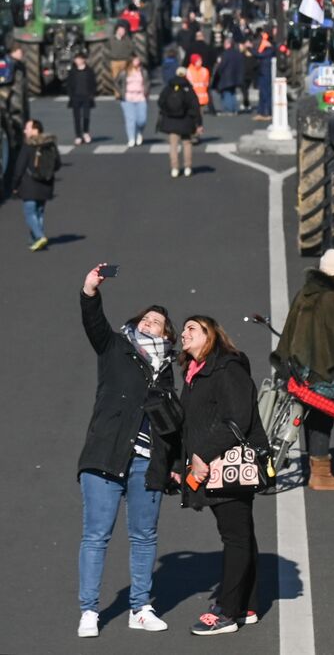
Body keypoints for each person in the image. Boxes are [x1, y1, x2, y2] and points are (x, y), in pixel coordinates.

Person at [77, 265, 179, 638]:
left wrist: (173, 464)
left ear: (168, 335)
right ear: (137, 323)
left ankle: (141, 606)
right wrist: (91, 290)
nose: (153, 324)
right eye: (148, 320)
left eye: (160, 323)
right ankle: (89, 610)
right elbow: (94, 322)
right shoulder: (115, 346)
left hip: (146, 462)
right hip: (105, 456)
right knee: (96, 536)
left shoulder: (166, 370)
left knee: (144, 536)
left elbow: (171, 422)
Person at [177, 316, 266, 635]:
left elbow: (237, 419)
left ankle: (227, 612)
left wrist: (201, 457)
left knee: (235, 537)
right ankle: (249, 605)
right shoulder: (195, 372)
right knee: (240, 533)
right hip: (213, 467)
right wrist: (181, 465)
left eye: (192, 328)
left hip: (226, 467)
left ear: (211, 336)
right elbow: (193, 424)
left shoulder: (227, 368)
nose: (183, 333)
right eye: (183, 329)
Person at [273, 249, 334, 490]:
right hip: (322, 372)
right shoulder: (333, 300)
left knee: (310, 419)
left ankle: (316, 469)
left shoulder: (306, 293)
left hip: (301, 369)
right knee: (322, 419)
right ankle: (321, 475)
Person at [15, 119, 60, 250]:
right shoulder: (50, 145)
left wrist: (15, 185)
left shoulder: (28, 146)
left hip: (29, 186)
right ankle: (35, 240)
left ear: (35, 130)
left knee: (30, 213)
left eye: (27, 128)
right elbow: (57, 164)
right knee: (39, 212)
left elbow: (19, 168)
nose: (24, 130)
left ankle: (40, 236)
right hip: (46, 184)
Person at [156, 67, 201, 178]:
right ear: (185, 75)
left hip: (171, 120)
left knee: (173, 145)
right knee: (186, 144)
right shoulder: (188, 89)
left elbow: (161, 101)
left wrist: (167, 111)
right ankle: (187, 167)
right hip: (186, 121)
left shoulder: (169, 87)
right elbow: (195, 106)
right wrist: (198, 123)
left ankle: (175, 168)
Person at [67, 52, 98, 146]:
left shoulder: (89, 71)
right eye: (76, 59)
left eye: (79, 59)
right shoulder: (72, 71)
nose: (77, 61)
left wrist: (92, 94)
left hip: (86, 97)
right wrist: (71, 95)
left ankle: (86, 132)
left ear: (84, 60)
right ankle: (78, 136)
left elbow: (93, 83)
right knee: (76, 118)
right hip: (76, 96)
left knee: (86, 116)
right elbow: (69, 84)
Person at [121, 56, 150, 148]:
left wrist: (146, 92)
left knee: (142, 120)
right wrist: (120, 92)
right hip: (128, 98)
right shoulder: (125, 72)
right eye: (135, 60)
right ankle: (131, 138)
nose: (138, 61)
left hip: (140, 97)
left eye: (138, 60)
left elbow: (147, 82)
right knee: (130, 120)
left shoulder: (143, 71)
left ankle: (139, 132)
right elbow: (116, 82)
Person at [210, 37, 242, 115]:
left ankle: (229, 110)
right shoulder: (237, 53)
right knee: (232, 93)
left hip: (226, 77)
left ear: (228, 44)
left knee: (227, 93)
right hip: (235, 76)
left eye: (225, 43)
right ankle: (234, 109)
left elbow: (221, 66)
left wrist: (218, 71)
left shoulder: (225, 54)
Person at [108, 24, 138, 99]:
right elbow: (107, 48)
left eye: (123, 31)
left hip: (125, 61)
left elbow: (132, 48)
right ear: (117, 31)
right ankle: (117, 94)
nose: (122, 32)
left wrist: (128, 55)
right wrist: (111, 55)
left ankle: (125, 93)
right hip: (114, 62)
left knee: (125, 78)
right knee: (115, 79)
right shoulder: (111, 39)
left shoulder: (127, 39)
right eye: (120, 30)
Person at [254, 31, 275, 120]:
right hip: (262, 72)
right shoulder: (266, 49)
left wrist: (251, 49)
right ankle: (261, 112)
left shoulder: (270, 50)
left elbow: (259, 55)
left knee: (266, 93)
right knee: (262, 93)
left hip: (266, 73)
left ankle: (267, 112)